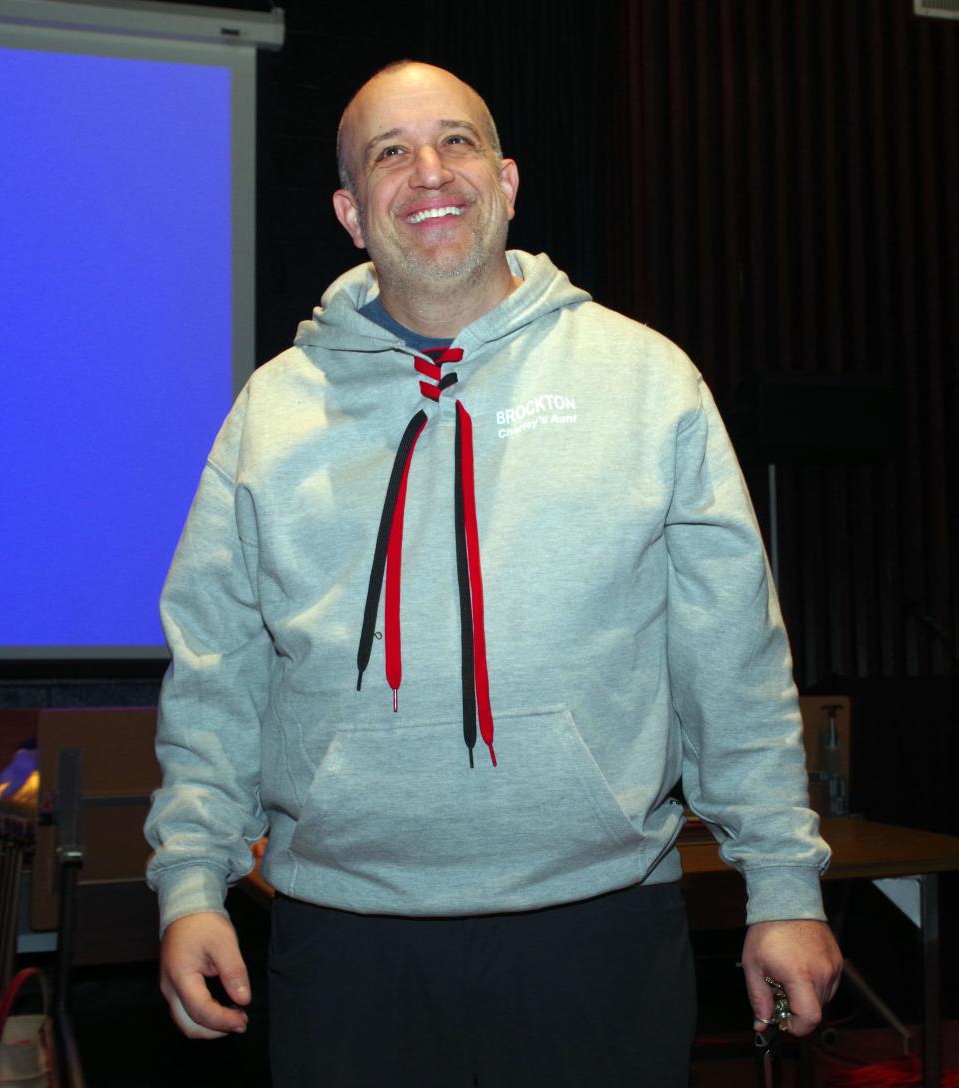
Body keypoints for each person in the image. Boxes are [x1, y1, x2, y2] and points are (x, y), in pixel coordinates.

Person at [145, 60, 842, 1086]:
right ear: (349, 210)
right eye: (390, 152)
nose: (429, 169)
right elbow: (218, 671)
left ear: (507, 182)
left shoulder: (648, 382)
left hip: (599, 931)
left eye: (456, 140)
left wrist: (785, 886)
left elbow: (729, 655)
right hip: (343, 946)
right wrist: (191, 881)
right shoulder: (272, 411)